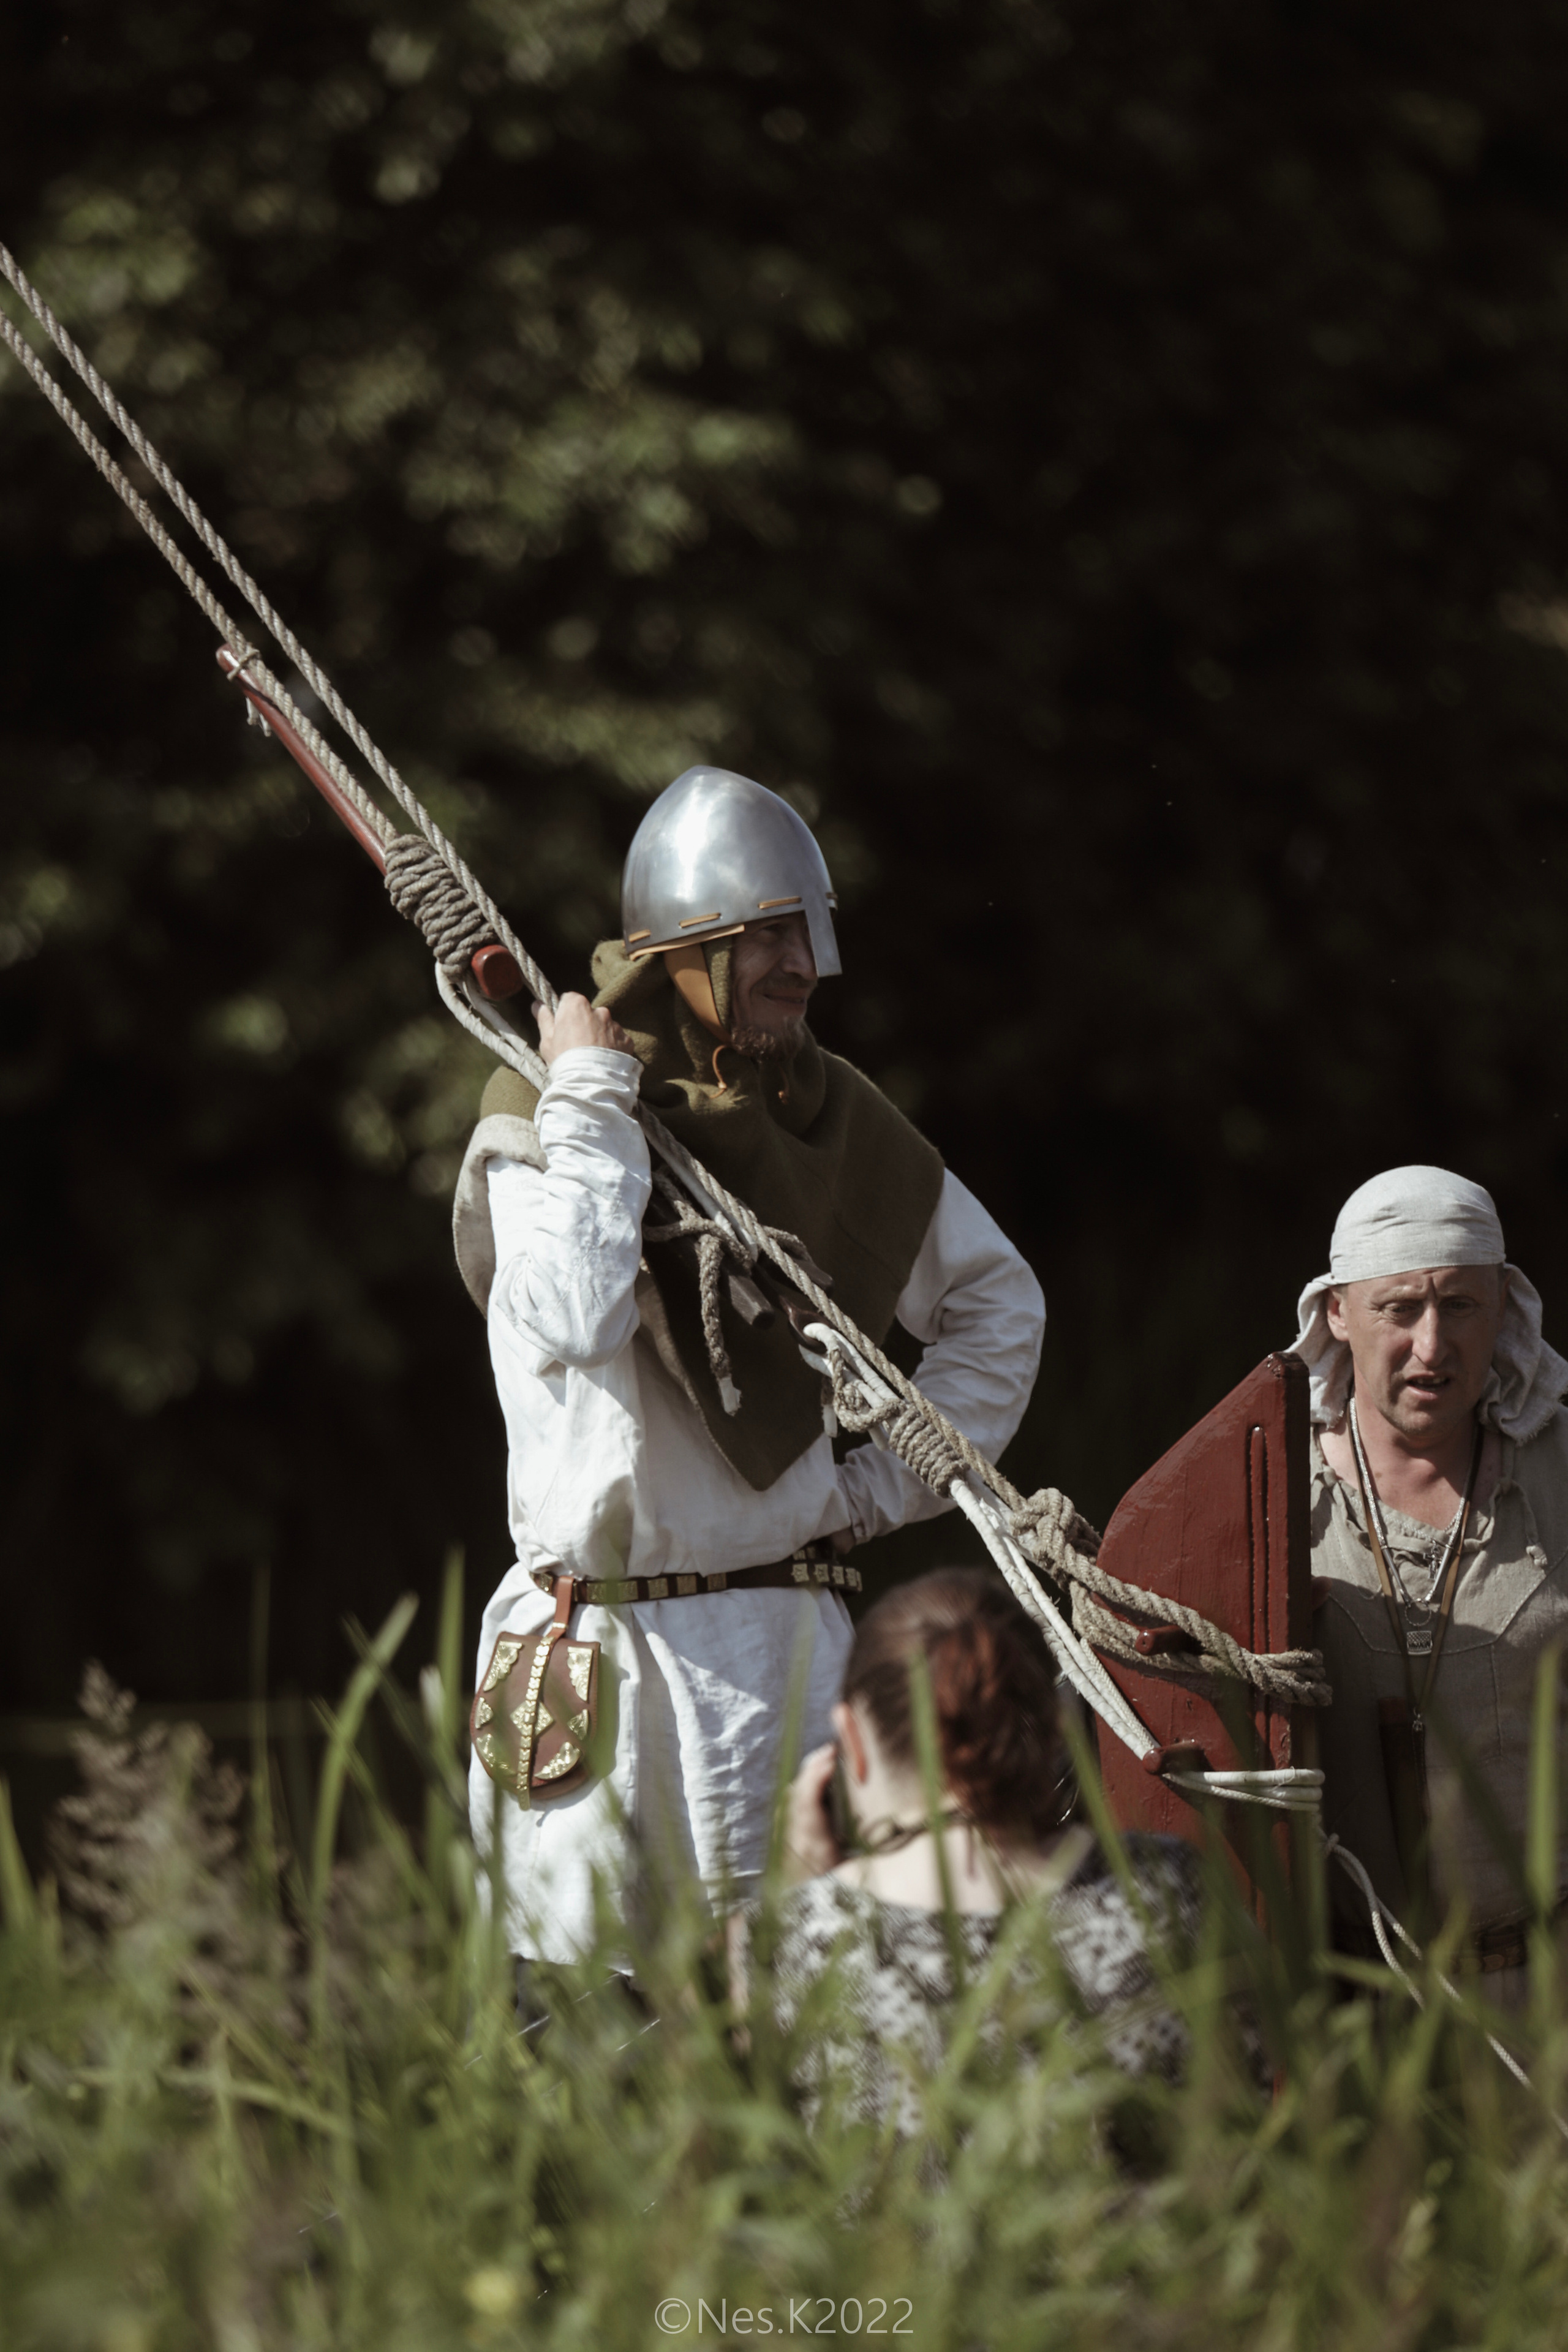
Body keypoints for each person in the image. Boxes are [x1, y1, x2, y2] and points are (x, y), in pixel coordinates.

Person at [451, 766, 1044, 1975]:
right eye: (764, 934)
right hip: (599, 1654)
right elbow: (568, 1309)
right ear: (681, 943)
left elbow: (999, 1306)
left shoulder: (828, 1116)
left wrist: (871, 1491)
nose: (801, 964)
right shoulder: (549, 1108)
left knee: (811, 2029)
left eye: (805, 931)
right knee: (580, 2040)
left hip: (784, 1633)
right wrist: (591, 1094)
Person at [753, 1568, 1207, 2135]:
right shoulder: (1171, 1888)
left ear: (852, 1745)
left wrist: (799, 1897)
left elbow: (753, 2155)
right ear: (1056, 1728)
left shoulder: (798, 1946)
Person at [1289, 1164, 1568, 1991]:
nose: (1432, 1346)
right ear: (1338, 1313)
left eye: (1460, 1306)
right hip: (1345, 1998)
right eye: (1399, 1309)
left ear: (1505, 1312)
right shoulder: (1262, 1493)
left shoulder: (1558, 1473)